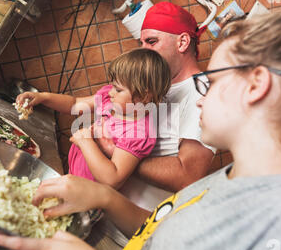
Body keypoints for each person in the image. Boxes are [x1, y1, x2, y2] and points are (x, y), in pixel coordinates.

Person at [0, 0, 281, 250]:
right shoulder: (230, 179)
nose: (199, 100)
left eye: (212, 84)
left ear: (255, 85)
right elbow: (162, 237)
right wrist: (104, 199)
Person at [84, 2, 216, 250]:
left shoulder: (200, 94)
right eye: (141, 43)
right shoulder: (154, 86)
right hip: (104, 218)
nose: (144, 50)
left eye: (151, 42)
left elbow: (188, 177)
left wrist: (113, 152)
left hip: (135, 239)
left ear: (182, 42)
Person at [16, 48, 171, 191]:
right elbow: (74, 104)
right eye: (112, 86)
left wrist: (86, 142)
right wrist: (43, 97)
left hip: (91, 195)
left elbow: (113, 178)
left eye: (118, 89)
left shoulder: (137, 132)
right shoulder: (110, 100)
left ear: (144, 96)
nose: (110, 92)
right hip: (76, 177)